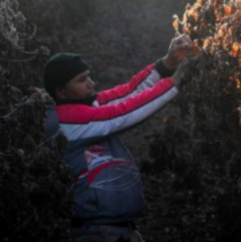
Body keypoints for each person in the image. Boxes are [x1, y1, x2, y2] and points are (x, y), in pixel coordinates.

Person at [43, 34, 193, 242]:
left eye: (89, 76)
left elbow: (129, 92)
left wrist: (168, 63)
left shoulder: (87, 105)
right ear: (61, 91)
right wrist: (174, 82)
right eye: (82, 80)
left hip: (116, 230)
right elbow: (121, 114)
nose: (91, 84)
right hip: (94, 233)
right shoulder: (65, 120)